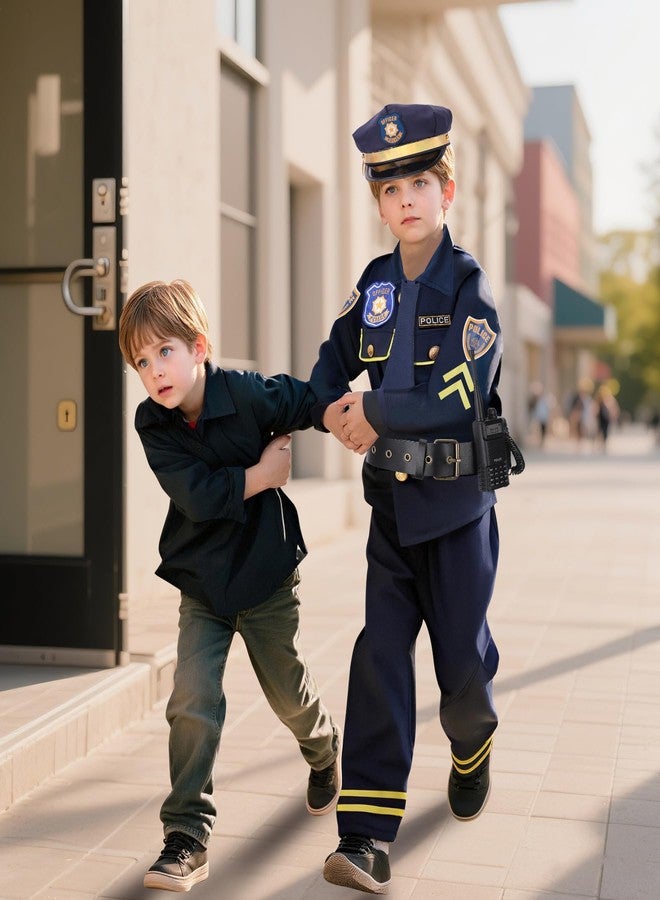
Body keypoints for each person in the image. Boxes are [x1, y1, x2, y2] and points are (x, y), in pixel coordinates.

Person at [309, 103, 505, 894]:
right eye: (390, 190)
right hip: (391, 509)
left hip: (456, 514)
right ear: (380, 203)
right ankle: (364, 837)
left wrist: (374, 410)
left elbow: (459, 394)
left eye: (420, 182)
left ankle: (472, 744)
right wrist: (326, 405)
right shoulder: (377, 285)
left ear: (446, 190)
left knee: (460, 671)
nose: (406, 200)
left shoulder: (471, 289)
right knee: (379, 658)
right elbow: (335, 355)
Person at [118, 280, 340, 893]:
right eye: (141, 361)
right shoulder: (153, 423)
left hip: (266, 575)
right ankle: (186, 835)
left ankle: (324, 751)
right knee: (192, 698)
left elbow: (302, 399)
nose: (155, 370)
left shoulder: (243, 393)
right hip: (204, 583)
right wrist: (264, 474)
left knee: (287, 694)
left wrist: (341, 417)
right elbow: (196, 494)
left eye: (165, 351)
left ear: (199, 347)